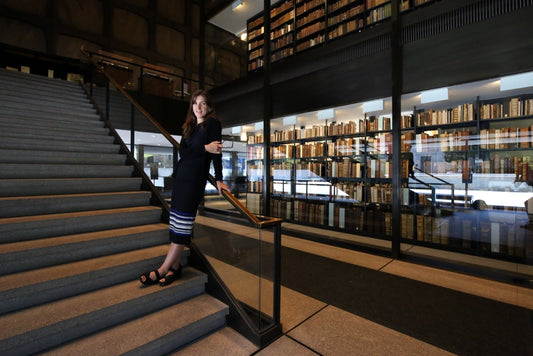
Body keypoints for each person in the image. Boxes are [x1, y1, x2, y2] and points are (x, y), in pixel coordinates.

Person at [140, 89, 230, 286]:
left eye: (203, 103)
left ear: (209, 107)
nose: (198, 107)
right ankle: (174, 267)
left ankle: (164, 268)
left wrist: (219, 179)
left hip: (194, 181)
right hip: (181, 178)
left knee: (183, 224)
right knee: (176, 223)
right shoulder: (190, 126)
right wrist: (204, 148)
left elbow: (216, 155)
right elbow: (183, 152)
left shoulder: (212, 124)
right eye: (195, 103)